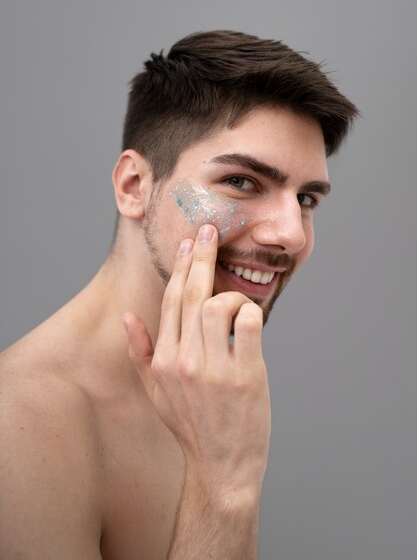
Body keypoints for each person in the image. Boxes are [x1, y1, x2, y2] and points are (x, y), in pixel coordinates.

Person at [0, 30, 357, 559]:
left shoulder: (209, 390)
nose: (292, 234)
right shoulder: (19, 430)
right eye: (241, 181)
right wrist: (225, 487)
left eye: (306, 198)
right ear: (134, 187)